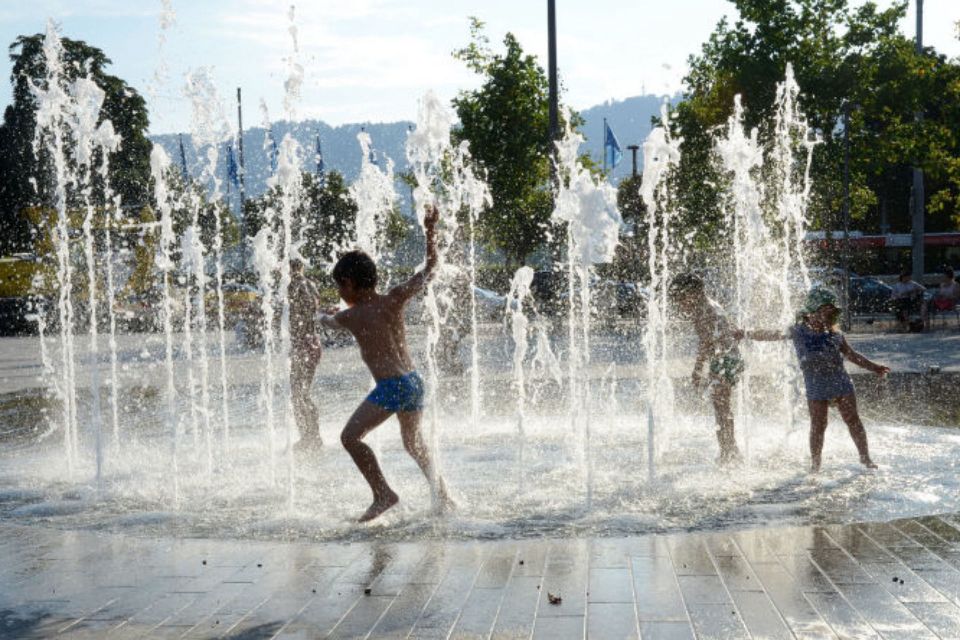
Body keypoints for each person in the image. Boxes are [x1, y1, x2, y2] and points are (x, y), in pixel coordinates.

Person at [318, 205, 452, 522]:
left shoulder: (350, 315)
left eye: (340, 286)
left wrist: (317, 314)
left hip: (392, 387)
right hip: (414, 381)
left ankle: (382, 494)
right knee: (414, 443)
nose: (340, 292)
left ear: (349, 283)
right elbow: (431, 269)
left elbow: (330, 322)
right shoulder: (394, 297)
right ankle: (443, 497)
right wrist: (430, 231)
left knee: (350, 438)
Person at [740, 288, 889, 472]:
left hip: (840, 381)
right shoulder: (798, 331)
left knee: (852, 419)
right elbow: (771, 334)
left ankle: (865, 458)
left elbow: (852, 355)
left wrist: (875, 367)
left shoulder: (835, 334)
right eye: (824, 311)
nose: (828, 316)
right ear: (811, 311)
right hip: (816, 384)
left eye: (831, 312)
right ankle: (815, 464)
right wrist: (745, 333)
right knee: (819, 425)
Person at [669, 273, 743, 464]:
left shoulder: (703, 311)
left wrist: (697, 370)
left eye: (680, 298)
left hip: (724, 361)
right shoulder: (711, 304)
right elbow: (727, 329)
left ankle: (728, 451)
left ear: (692, 292)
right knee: (722, 406)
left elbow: (706, 343)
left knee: (721, 407)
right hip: (730, 358)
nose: (679, 304)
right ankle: (729, 448)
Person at [288, 258, 324, 451]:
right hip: (312, 343)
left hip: (302, 345)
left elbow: (293, 315)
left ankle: (309, 437)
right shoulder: (312, 285)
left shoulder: (293, 286)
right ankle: (312, 435)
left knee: (298, 393)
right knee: (302, 392)